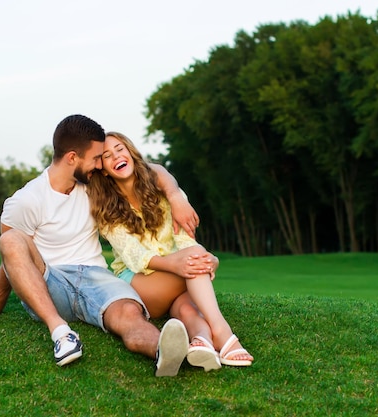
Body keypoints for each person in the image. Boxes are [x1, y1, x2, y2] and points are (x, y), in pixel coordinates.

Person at [0, 115, 200, 377]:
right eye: (97, 158)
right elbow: (11, 256)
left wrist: (176, 195)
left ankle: (163, 350)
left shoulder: (94, 186)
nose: (100, 165)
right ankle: (62, 334)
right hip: (51, 282)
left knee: (129, 314)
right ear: (72, 158)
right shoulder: (26, 200)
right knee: (10, 238)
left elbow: (151, 169)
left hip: (97, 279)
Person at [86, 131, 253, 371]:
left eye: (120, 149)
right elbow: (135, 256)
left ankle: (203, 341)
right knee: (192, 261)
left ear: (130, 151)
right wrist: (183, 263)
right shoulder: (106, 206)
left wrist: (207, 259)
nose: (116, 157)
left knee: (186, 307)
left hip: (174, 279)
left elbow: (186, 241)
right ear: (103, 169)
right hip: (138, 282)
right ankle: (224, 333)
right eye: (107, 155)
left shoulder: (166, 192)